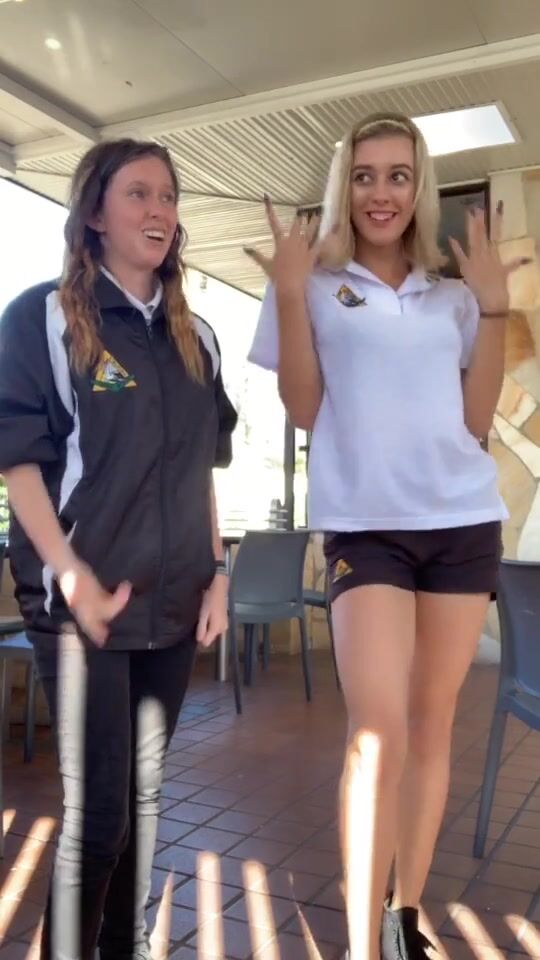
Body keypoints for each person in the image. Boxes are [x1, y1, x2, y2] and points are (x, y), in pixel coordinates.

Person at [246, 112, 525, 960]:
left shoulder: (452, 298)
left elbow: (475, 420)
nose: (380, 192)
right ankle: (362, 945)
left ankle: (405, 916)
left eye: (398, 175)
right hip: (366, 530)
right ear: (345, 187)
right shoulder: (313, 285)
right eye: (364, 175)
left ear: (418, 187)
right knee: (377, 733)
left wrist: (495, 306)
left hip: (460, 523)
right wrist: (289, 293)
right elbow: (303, 409)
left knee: (432, 726)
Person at [0, 138, 237, 960]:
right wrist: (69, 575)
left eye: (168, 195)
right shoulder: (43, 317)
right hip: (81, 607)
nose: (159, 210)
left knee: (141, 802)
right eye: (139, 193)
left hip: (173, 607)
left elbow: (201, 468)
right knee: (100, 813)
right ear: (95, 213)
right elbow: (19, 463)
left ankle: (121, 946)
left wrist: (218, 572)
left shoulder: (197, 336)